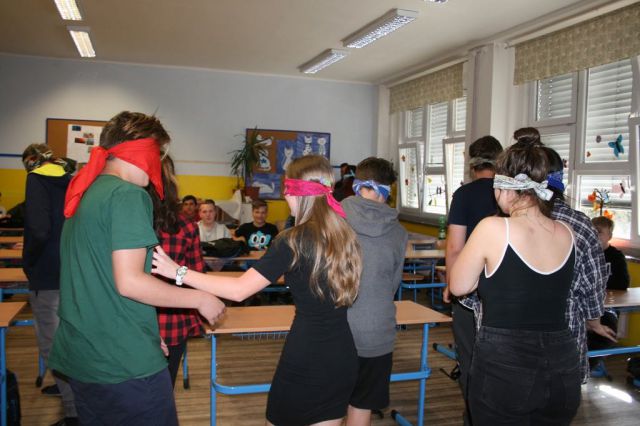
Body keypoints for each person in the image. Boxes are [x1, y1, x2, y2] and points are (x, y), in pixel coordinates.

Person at [152, 155, 362, 426]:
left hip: (308, 356)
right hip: (343, 354)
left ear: (294, 192)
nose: (285, 195)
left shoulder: (293, 240)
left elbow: (239, 290)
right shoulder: (345, 234)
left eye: (286, 188)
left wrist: (177, 272)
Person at [48, 111, 226, 425]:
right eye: (157, 154)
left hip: (85, 354)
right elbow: (130, 282)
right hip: (122, 364)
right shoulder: (127, 195)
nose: (158, 164)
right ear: (141, 151)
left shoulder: (86, 191)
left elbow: (95, 280)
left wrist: (142, 333)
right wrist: (199, 298)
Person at [450, 141, 581, 425]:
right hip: (562, 360)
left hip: (506, 362)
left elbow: (458, 286)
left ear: (504, 188)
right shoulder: (566, 231)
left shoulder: (493, 228)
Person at [525, 131, 611, 384]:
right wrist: (594, 321)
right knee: (559, 395)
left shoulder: (504, 222)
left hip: (514, 334)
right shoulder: (581, 224)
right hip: (565, 328)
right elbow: (593, 284)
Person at [341, 157, 408, 426]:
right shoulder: (399, 232)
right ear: (388, 190)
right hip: (376, 329)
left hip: (334, 327)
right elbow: (392, 285)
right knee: (362, 405)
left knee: (328, 406)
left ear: (356, 184)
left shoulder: (333, 219)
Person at [443, 135, 503, 425]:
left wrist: (451, 284)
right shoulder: (511, 194)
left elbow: (455, 247)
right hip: (502, 288)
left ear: (471, 165)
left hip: (470, 288)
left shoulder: (464, 195)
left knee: (469, 357)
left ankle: (474, 417)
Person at [21, 144, 77, 426]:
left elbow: (39, 230)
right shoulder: (70, 178)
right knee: (72, 341)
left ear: (31, 162)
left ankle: (74, 413)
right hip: (73, 273)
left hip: (47, 273)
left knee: (52, 346)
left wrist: (28, 261)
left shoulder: (36, 179)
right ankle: (71, 394)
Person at [149, 156, 208, 387]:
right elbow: (196, 275)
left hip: (133, 317)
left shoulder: (130, 219)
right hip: (172, 316)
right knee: (165, 387)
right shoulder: (186, 226)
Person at [588, 216, 629, 371]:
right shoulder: (584, 253)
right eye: (593, 232)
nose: (595, 235)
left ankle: (586, 367)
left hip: (606, 308)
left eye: (599, 232)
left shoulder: (616, 256)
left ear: (609, 236)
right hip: (585, 307)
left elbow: (622, 284)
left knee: (607, 335)